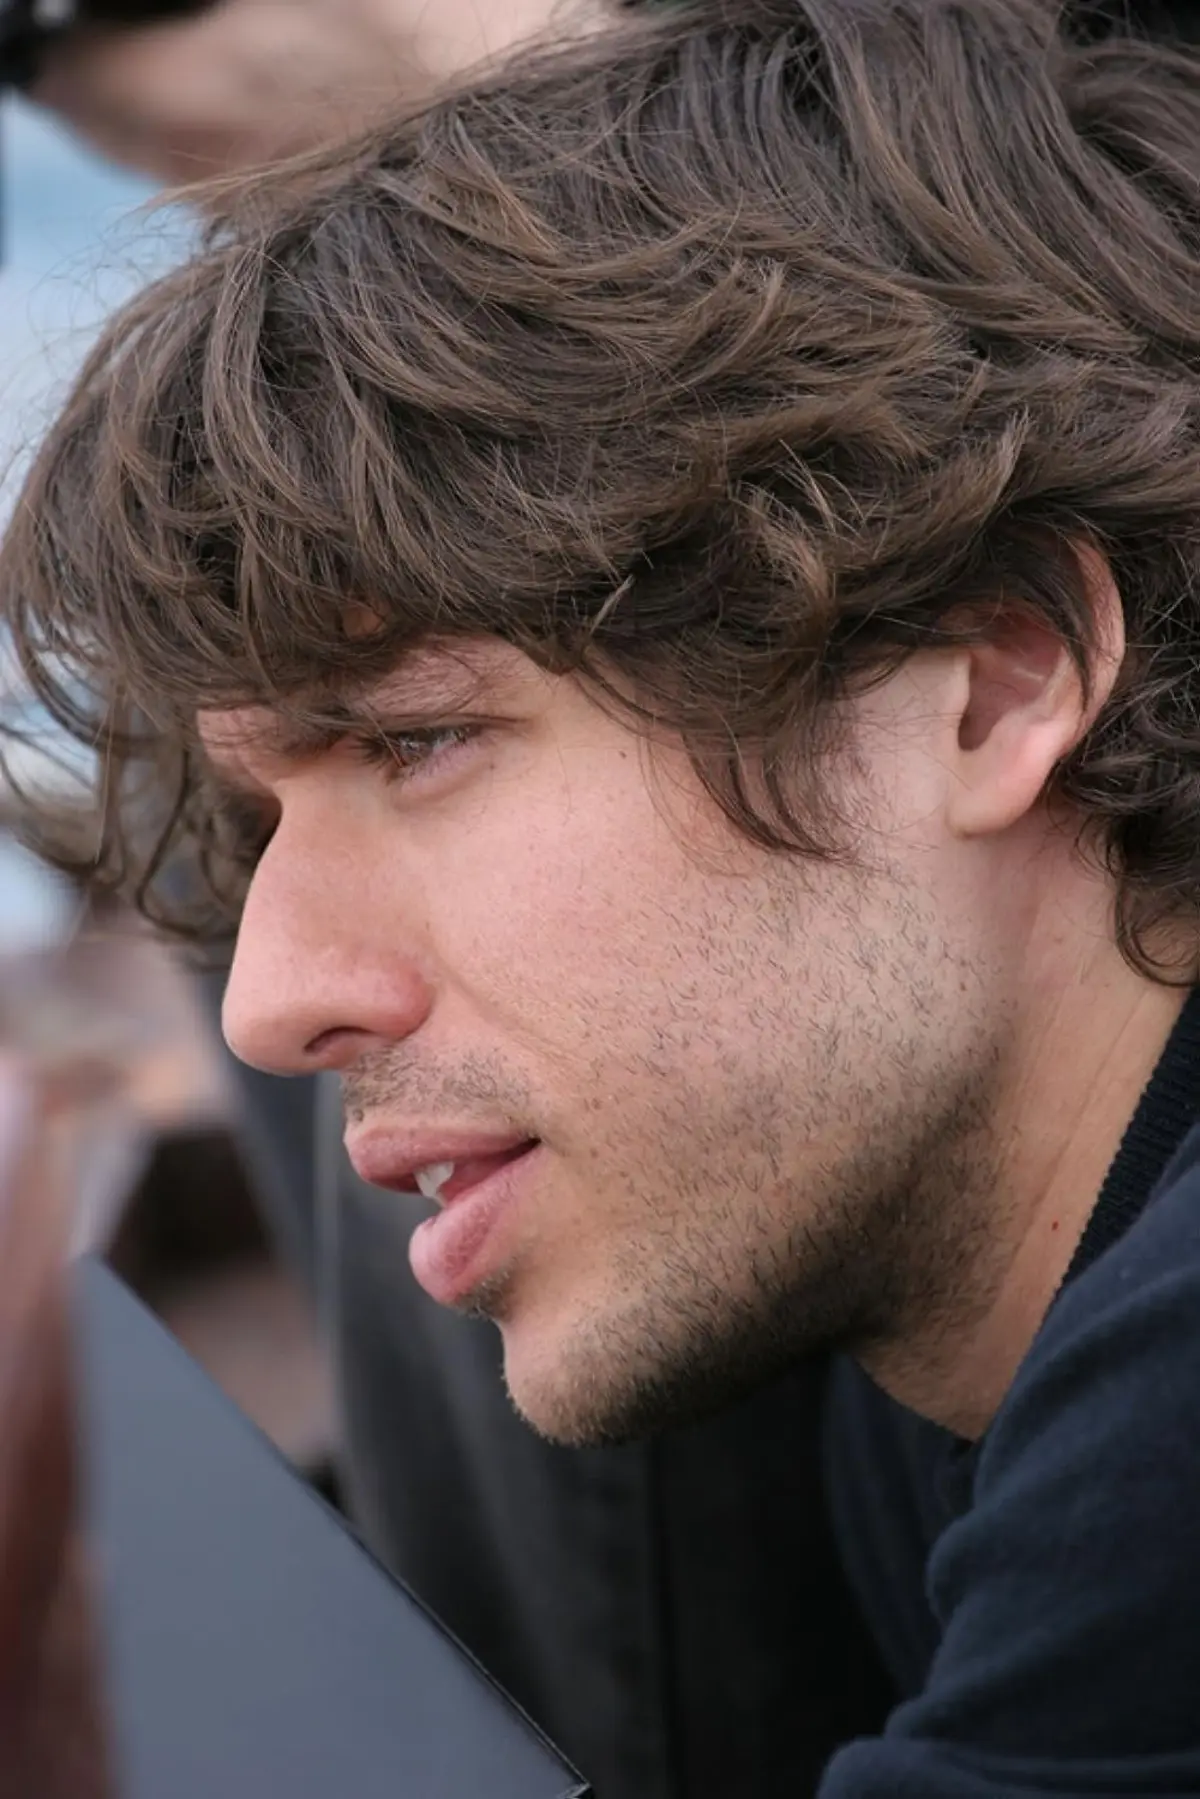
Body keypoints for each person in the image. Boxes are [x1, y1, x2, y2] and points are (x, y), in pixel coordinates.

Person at [10, 0, 1200, 1791]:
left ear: (996, 678)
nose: (268, 1003)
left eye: (416, 741)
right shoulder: (926, 1340)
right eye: (261, 826)